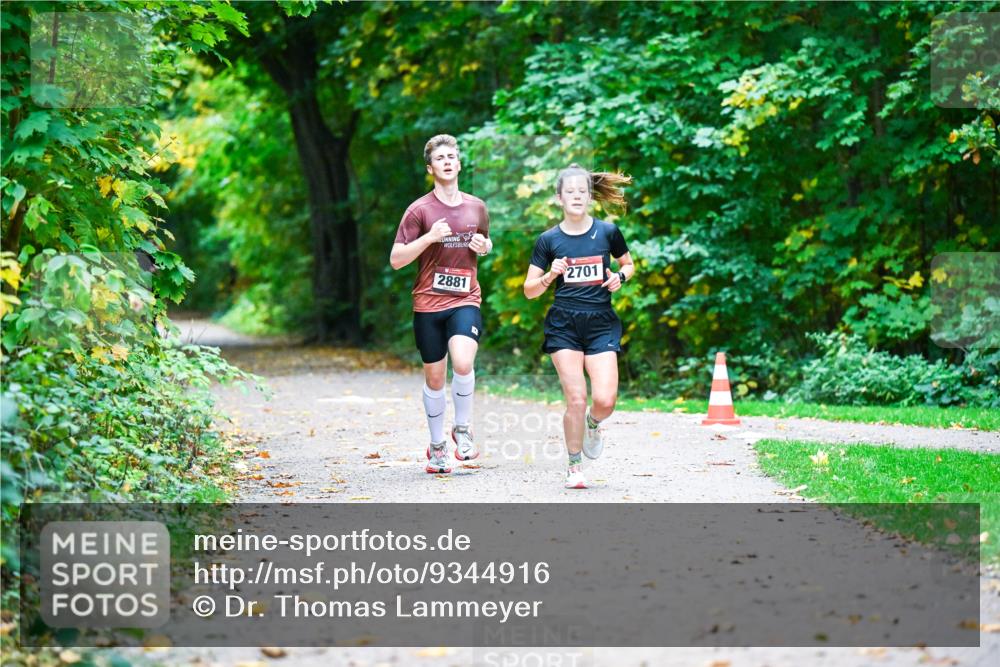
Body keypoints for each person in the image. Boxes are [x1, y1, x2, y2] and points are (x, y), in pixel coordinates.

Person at [523, 164, 635, 489]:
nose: (576, 197)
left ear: (590, 197)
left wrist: (620, 276)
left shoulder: (608, 232)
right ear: (559, 197)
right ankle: (574, 466)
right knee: (576, 397)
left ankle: (594, 424)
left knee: (606, 400)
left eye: (581, 192)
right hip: (564, 325)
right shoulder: (549, 240)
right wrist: (549, 275)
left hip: (601, 323)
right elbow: (529, 290)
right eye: (569, 192)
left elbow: (629, 263)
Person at [390, 134, 492, 474]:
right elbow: (396, 259)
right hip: (428, 303)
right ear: (430, 168)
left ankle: (462, 429)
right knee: (435, 379)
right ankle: (436, 447)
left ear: (459, 164)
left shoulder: (476, 206)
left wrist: (483, 246)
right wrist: (430, 237)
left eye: (452, 156)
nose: (448, 161)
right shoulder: (419, 210)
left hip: (466, 297)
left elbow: (485, 240)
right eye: (441, 158)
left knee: (463, 363)